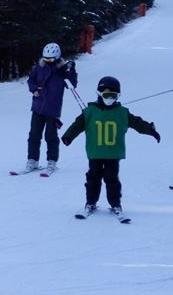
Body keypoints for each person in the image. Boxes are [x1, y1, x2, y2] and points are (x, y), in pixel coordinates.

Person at [61, 76, 161, 218]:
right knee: (93, 179)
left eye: (113, 95)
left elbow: (137, 123)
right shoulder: (90, 111)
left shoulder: (122, 113)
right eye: (106, 95)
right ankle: (90, 203)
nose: (109, 98)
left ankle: (115, 204)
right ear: (99, 94)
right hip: (95, 153)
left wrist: (151, 130)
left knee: (112, 179)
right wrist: (68, 136)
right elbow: (77, 125)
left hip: (113, 154)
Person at [26, 43, 78, 173]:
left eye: (50, 59)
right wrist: (34, 89)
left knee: (51, 136)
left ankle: (52, 161)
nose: (47, 61)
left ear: (57, 57)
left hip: (53, 109)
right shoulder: (39, 68)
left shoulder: (62, 70)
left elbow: (72, 84)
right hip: (37, 107)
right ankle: (32, 160)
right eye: (45, 58)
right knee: (34, 135)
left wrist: (71, 70)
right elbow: (30, 80)